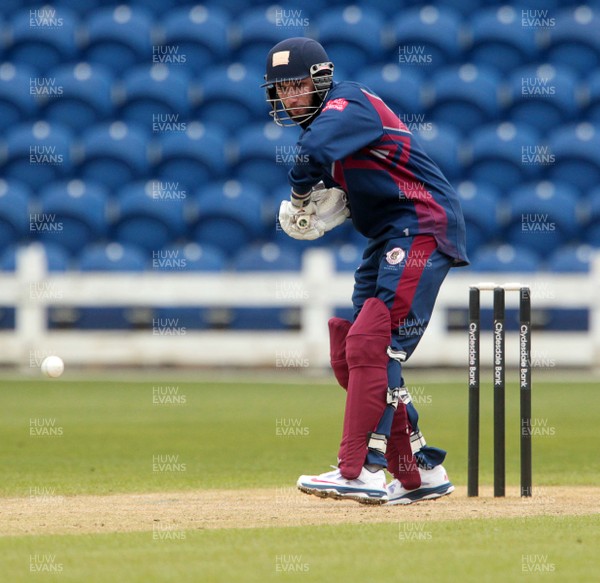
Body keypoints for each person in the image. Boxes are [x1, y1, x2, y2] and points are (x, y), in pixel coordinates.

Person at [263, 37, 469, 504]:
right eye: (281, 89)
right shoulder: (330, 137)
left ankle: (361, 470)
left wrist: (300, 198)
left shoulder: (348, 102)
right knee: (354, 353)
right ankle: (416, 470)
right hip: (390, 235)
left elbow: (310, 152)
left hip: (422, 222)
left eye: (297, 85)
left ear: (319, 80)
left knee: (374, 344)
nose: (290, 97)